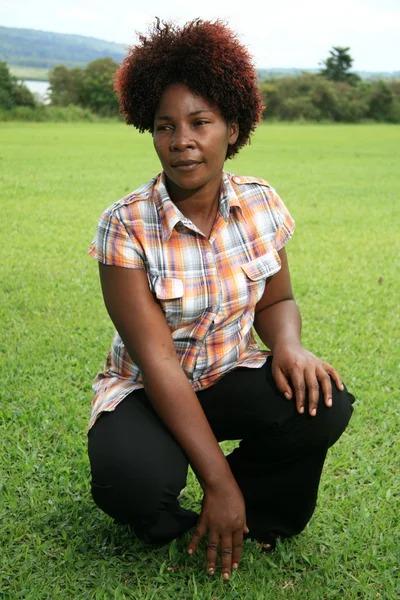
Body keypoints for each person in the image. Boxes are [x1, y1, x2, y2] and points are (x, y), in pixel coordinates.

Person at [87, 19, 355, 580]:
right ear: (151, 132)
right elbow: (158, 361)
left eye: (200, 122)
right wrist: (219, 482)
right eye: (165, 126)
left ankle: (258, 515)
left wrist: (289, 345)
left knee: (322, 400)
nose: (181, 139)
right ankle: (191, 515)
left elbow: (277, 301)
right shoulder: (126, 224)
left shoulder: (261, 204)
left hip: (226, 375)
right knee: (130, 482)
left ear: (232, 128)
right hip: (149, 390)